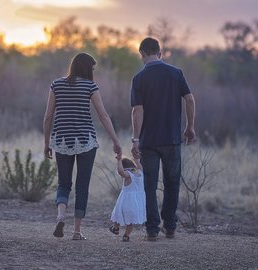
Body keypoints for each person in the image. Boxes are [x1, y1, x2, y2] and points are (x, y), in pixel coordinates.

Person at [43, 52, 122, 240]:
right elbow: (103, 115)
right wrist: (115, 140)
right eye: (92, 69)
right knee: (82, 186)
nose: (93, 72)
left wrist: (47, 143)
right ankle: (77, 231)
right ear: (87, 68)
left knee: (63, 183)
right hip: (86, 141)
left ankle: (61, 215)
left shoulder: (57, 84)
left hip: (61, 140)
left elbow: (48, 116)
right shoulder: (90, 86)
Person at [130, 37, 196, 241]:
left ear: (141, 54)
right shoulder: (175, 73)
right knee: (172, 183)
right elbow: (190, 99)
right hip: (172, 139)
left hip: (149, 141)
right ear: (160, 52)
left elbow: (137, 111)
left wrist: (135, 139)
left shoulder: (139, 78)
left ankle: (151, 230)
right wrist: (190, 126)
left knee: (149, 185)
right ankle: (170, 227)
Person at [109, 156, 146, 242]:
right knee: (130, 221)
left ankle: (116, 228)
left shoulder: (128, 175)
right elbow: (139, 165)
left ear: (125, 168)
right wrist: (136, 160)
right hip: (137, 203)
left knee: (118, 214)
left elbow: (120, 171)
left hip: (126, 201)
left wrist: (118, 161)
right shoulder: (140, 172)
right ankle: (126, 235)